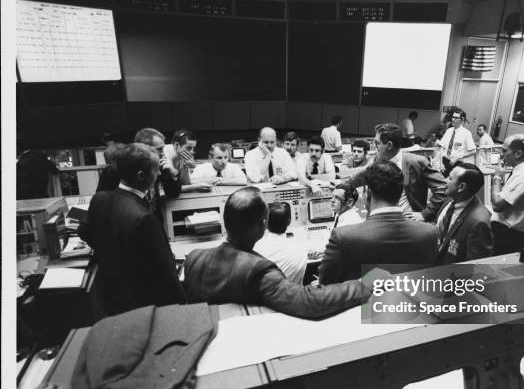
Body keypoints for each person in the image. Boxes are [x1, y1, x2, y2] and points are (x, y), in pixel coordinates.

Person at [183, 187, 369, 319]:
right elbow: (310, 302)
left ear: (225, 222)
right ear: (263, 225)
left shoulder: (193, 258)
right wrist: (364, 285)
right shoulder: (259, 269)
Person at [81, 143, 185, 317]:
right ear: (141, 175)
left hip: (109, 298)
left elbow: (87, 234)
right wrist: (183, 307)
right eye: (156, 170)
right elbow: (166, 277)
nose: (159, 173)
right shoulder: (144, 218)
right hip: (142, 306)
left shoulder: (99, 199)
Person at [319, 163, 438, 285]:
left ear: (368, 193)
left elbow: (326, 285)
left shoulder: (342, 236)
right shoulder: (430, 232)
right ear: (401, 190)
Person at [349, 123, 447, 222]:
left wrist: (426, 214)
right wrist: (340, 187)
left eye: (377, 143)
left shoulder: (416, 162)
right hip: (378, 223)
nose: (375, 147)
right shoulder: (376, 161)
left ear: (389, 145)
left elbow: (442, 188)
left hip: (407, 224)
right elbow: (355, 180)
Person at [96, 127, 183, 222]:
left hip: (153, 220)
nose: (163, 153)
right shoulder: (114, 170)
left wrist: (173, 173)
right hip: (126, 224)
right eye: (159, 149)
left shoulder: (160, 165)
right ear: (143, 148)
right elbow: (101, 204)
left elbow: (173, 193)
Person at [435, 163, 494, 264]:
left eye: (449, 178)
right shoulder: (451, 199)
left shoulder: (479, 222)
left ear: (461, 187)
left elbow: (475, 265)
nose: (445, 180)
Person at [254, 202, 307, 284]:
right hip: (294, 295)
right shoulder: (301, 248)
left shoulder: (256, 249)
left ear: (265, 223)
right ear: (289, 222)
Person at [438, 109, 477, 174]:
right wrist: (440, 162)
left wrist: (458, 156)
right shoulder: (449, 131)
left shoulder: (466, 133)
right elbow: (442, 147)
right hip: (444, 161)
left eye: (456, 118)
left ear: (462, 119)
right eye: (453, 117)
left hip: (456, 163)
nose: (453, 119)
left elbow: (473, 151)